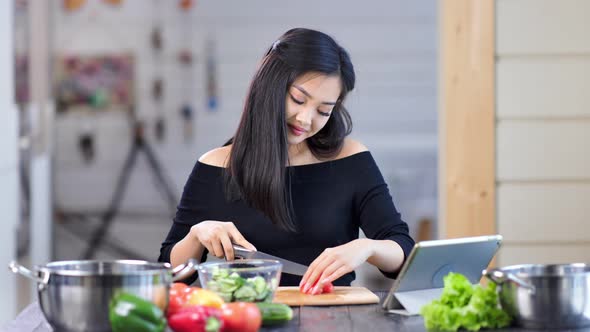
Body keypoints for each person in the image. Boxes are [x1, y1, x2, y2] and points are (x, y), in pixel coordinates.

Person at [158, 28, 415, 295]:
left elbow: (403, 251)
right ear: (270, 85)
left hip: (333, 316)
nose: (305, 119)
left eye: (323, 111)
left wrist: (368, 248)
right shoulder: (217, 166)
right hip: (248, 317)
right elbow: (169, 272)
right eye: (298, 99)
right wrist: (197, 234)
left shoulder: (351, 159)